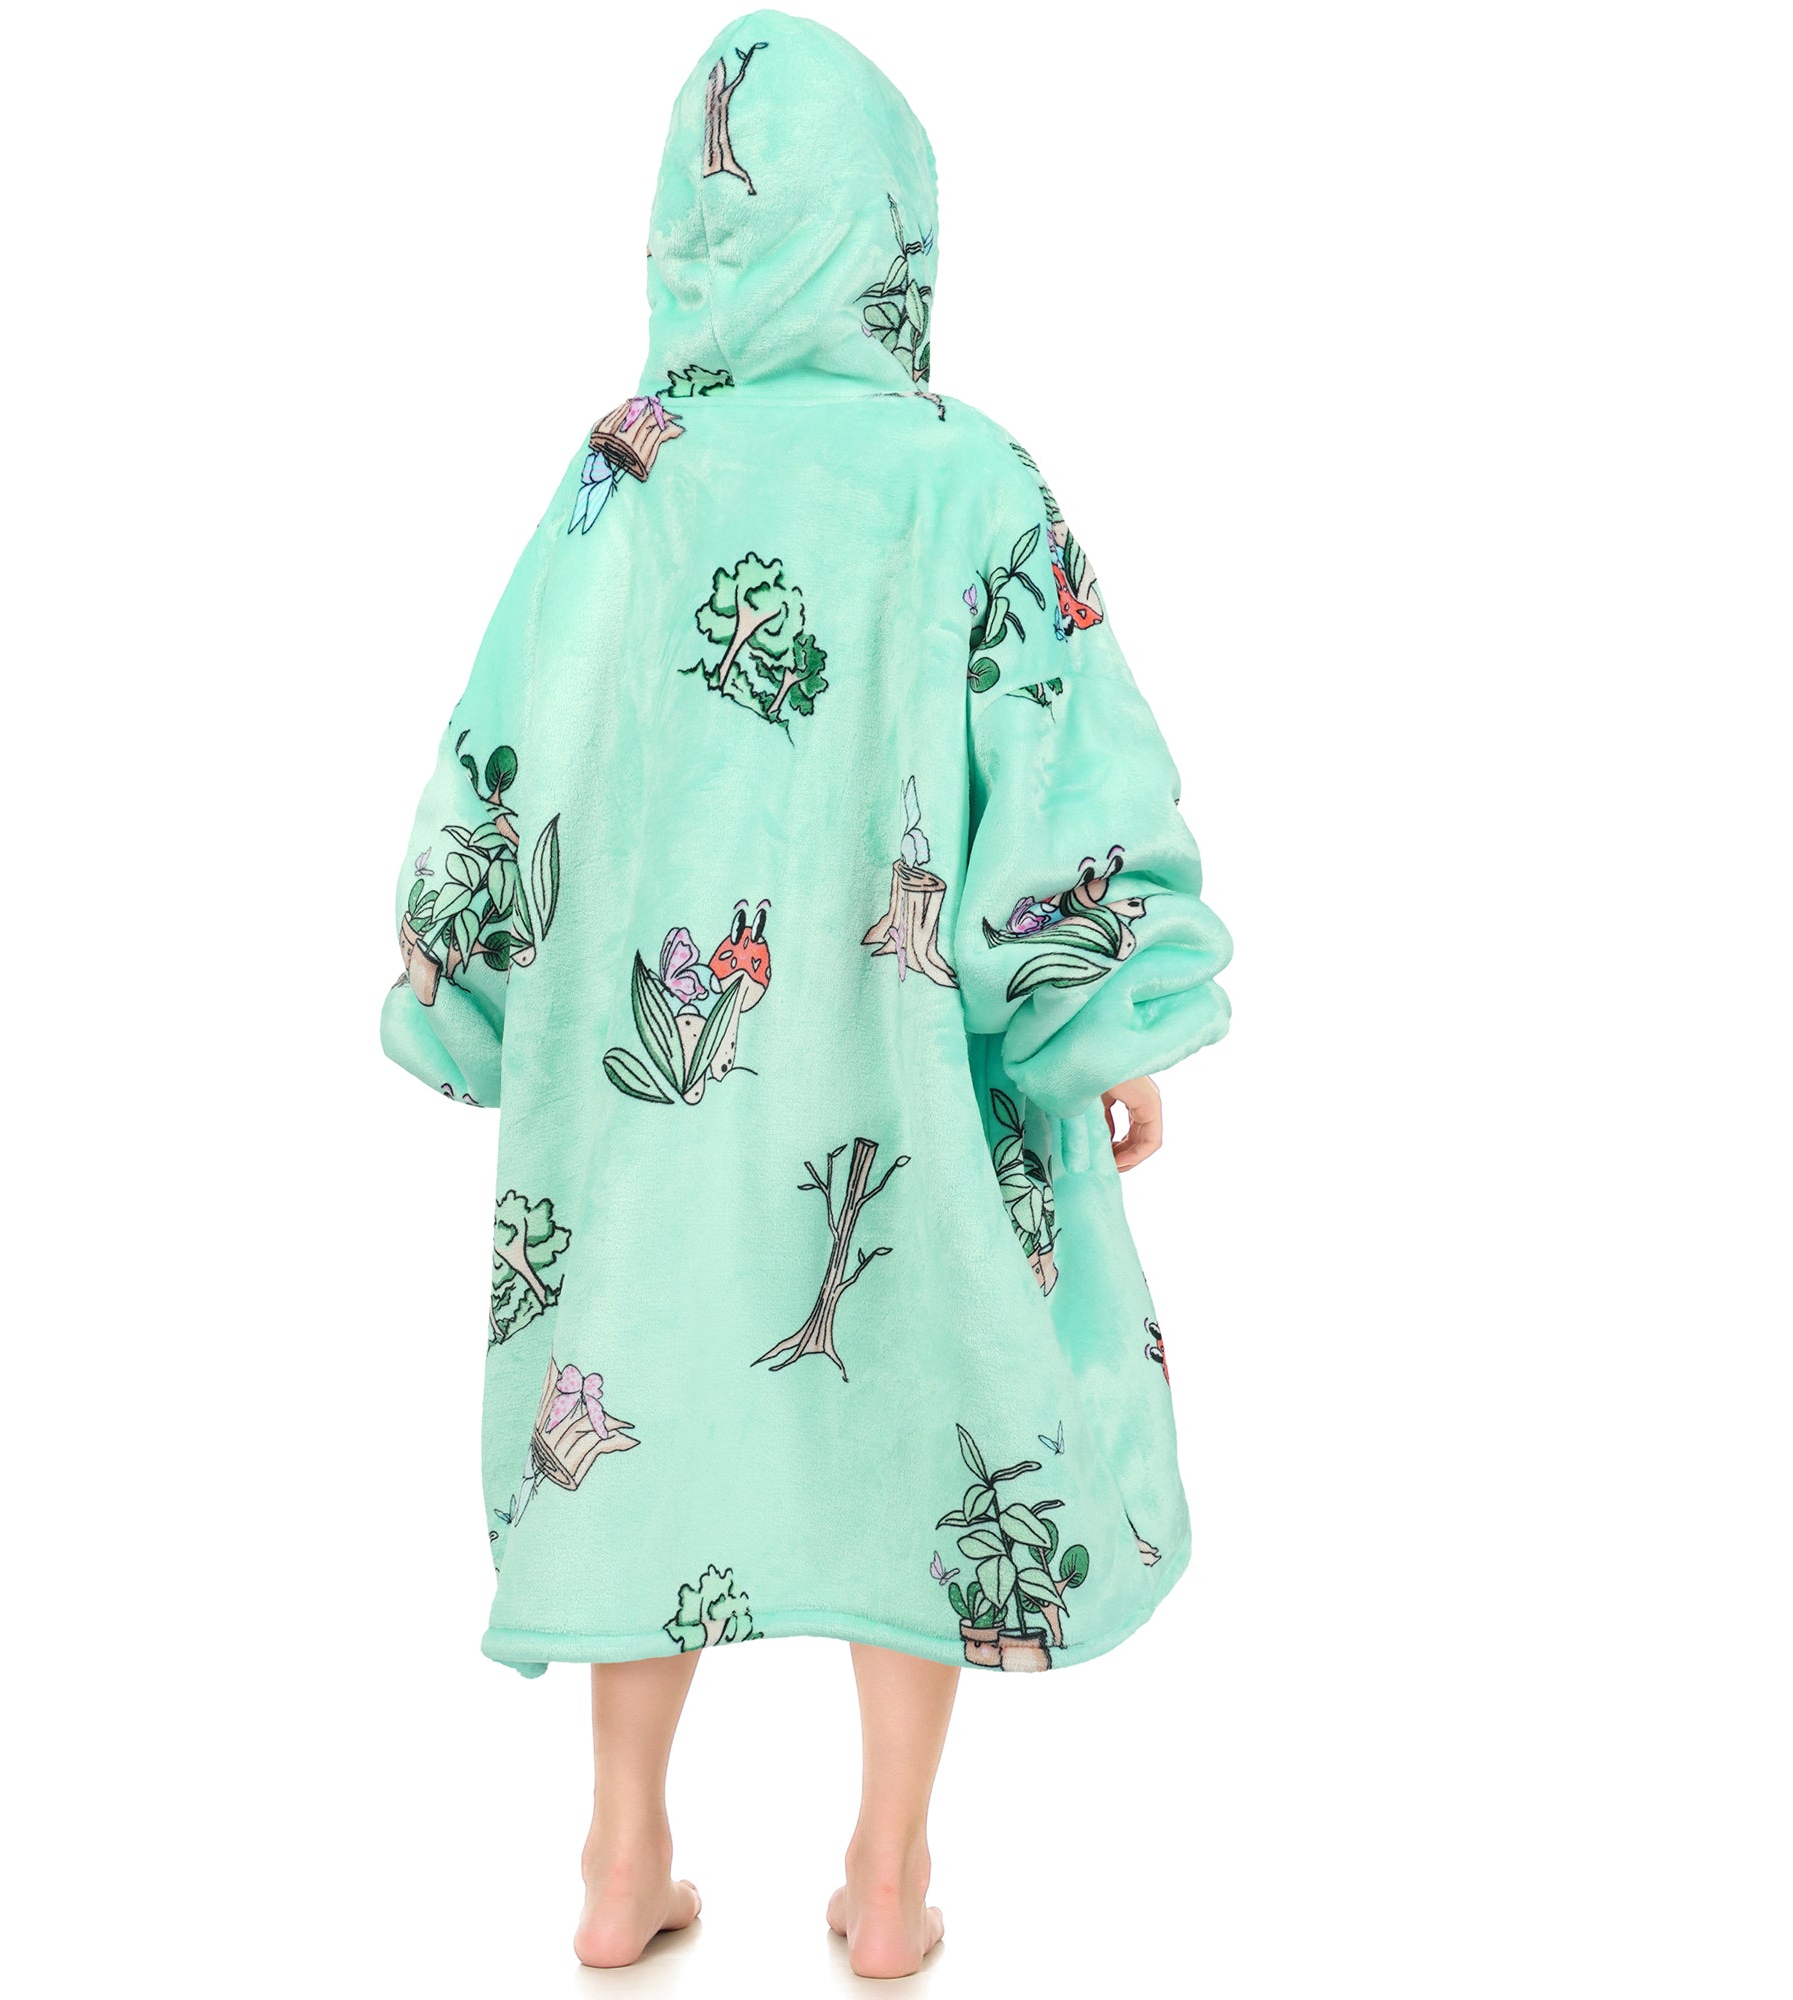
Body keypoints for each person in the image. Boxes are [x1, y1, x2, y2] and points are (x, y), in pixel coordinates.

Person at [379, 11, 1232, 1977]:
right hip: (901, 1067)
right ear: (893, 231)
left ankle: (621, 1862)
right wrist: (1101, 1024)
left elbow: (508, 739)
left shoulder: (624, 470)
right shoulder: (964, 474)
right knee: (924, 1413)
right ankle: (889, 1876)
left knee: (631, 1382)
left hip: (646, 1098)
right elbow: (1059, 753)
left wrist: (469, 991)